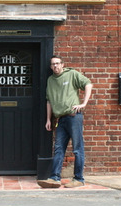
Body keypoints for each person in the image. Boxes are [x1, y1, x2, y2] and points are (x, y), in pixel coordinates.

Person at [38, 55, 93, 189]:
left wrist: (83, 104)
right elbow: (49, 101)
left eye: (57, 63)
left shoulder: (72, 74)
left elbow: (88, 84)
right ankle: (54, 178)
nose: (55, 66)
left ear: (62, 64)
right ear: (51, 67)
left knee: (77, 149)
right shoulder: (50, 80)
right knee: (58, 149)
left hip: (74, 116)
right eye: (53, 64)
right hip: (61, 119)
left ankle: (79, 178)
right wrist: (48, 119)